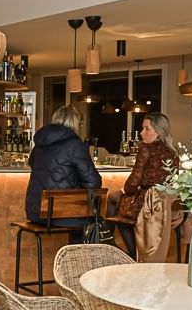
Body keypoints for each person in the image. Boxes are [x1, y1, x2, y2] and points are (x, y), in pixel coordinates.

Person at [25, 104, 101, 239]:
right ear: (74, 123)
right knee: (92, 217)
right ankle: (76, 258)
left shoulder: (40, 145)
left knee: (83, 215)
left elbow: (33, 164)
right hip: (63, 215)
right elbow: (93, 181)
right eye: (79, 123)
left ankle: (72, 257)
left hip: (35, 212)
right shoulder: (75, 145)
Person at [112, 112, 177, 257]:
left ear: (159, 132)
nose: (142, 133)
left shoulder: (145, 149)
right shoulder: (173, 152)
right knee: (120, 204)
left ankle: (123, 249)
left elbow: (134, 182)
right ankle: (124, 249)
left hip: (148, 202)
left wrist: (125, 190)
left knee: (114, 201)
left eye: (146, 129)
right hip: (168, 205)